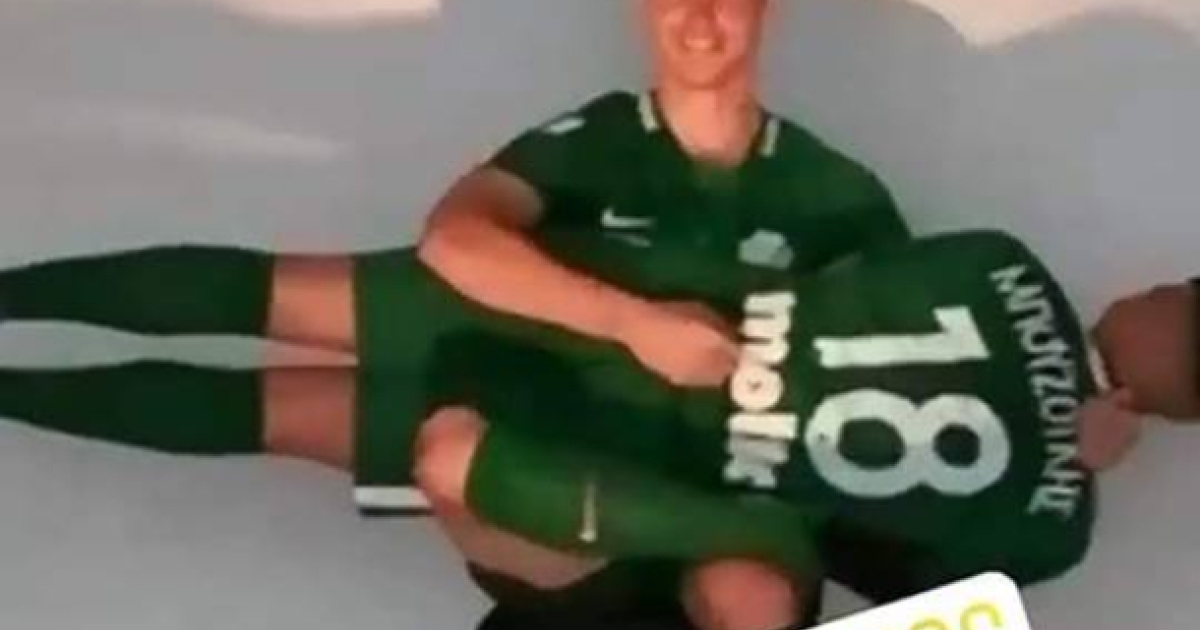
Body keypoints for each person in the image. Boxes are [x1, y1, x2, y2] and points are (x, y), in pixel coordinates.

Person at [0, 227, 1190, 630]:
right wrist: (1065, 460)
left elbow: (826, 265)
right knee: (271, 410)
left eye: (1180, 294)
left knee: (268, 298)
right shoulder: (1048, 532)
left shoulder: (1002, 264)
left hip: (595, 321)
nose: (1154, 284)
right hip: (609, 465)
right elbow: (864, 577)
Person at [416, 0, 909, 625]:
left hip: (748, 525)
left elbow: (903, 383)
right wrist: (633, 323)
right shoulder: (594, 141)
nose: (700, 18)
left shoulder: (838, 192)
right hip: (583, 501)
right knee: (452, 461)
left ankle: (747, 538)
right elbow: (453, 241)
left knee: (750, 596)